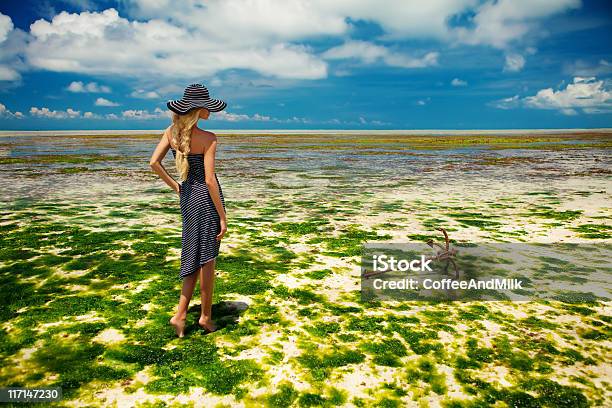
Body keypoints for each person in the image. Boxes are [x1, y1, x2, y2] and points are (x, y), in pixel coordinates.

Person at [149, 83, 228, 337]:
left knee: (194, 254)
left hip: (188, 199)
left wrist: (177, 187)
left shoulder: (171, 133)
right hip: (205, 200)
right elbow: (209, 181)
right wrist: (223, 216)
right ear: (198, 109)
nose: (211, 111)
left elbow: (154, 163)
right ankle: (205, 317)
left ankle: (181, 315)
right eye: (207, 107)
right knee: (207, 260)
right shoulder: (209, 138)